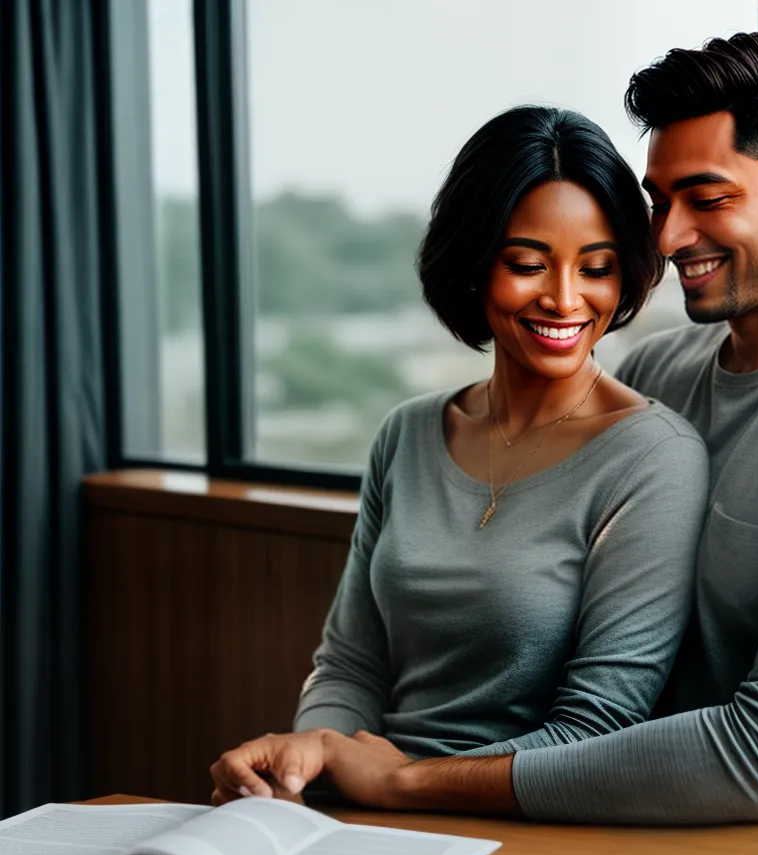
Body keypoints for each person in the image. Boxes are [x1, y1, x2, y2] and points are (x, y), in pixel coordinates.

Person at [212, 32, 758, 855]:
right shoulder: (663, 372)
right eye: (659, 201)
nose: (672, 235)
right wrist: (316, 767)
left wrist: (407, 782)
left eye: (707, 197)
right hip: (641, 834)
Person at [210, 106, 709, 799]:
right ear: (476, 266)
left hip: (519, 819)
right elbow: (351, 665)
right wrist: (305, 763)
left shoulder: (654, 459)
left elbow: (598, 728)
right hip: (363, 806)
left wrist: (403, 782)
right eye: (528, 264)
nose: (565, 299)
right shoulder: (407, 434)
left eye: (596, 268)